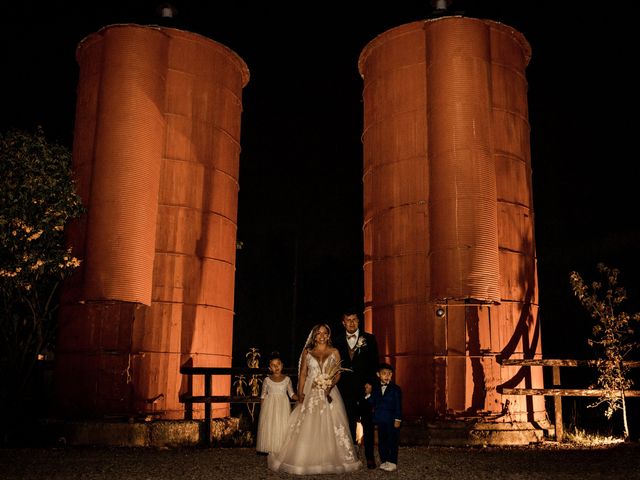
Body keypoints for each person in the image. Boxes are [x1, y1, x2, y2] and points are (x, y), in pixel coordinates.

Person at [267, 324, 362, 475]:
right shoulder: (308, 352)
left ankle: (331, 458)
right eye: (319, 333)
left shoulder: (334, 352)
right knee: (306, 423)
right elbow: (303, 373)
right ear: (314, 336)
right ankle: (304, 458)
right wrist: (299, 391)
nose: (322, 336)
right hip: (310, 390)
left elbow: (338, 373)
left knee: (332, 424)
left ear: (329, 335)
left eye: (325, 333)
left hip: (329, 391)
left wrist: (330, 385)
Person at [334, 310, 379, 469]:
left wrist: (371, 383)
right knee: (348, 422)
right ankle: (351, 456)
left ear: (359, 321)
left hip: (364, 388)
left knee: (367, 422)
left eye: (354, 320)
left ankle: (369, 457)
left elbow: (375, 364)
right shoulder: (337, 341)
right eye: (348, 320)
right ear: (343, 322)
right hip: (345, 389)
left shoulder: (370, 339)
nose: (351, 323)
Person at [255, 352, 297, 455]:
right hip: (270, 407)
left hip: (283, 406)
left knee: (282, 425)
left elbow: (291, 394)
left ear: (282, 365)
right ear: (270, 368)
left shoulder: (287, 379)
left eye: (278, 364)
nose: (276, 366)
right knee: (271, 425)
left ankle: (281, 448)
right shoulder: (267, 380)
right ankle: (270, 447)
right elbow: (263, 396)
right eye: (273, 365)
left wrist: (300, 398)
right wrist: (262, 410)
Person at [365, 363, 402, 472]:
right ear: (378, 374)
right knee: (382, 441)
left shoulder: (396, 389)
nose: (387, 376)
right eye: (384, 373)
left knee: (392, 441)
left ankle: (393, 461)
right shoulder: (376, 389)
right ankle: (385, 460)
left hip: (392, 420)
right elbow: (372, 402)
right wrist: (368, 394)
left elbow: (398, 405)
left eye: (389, 374)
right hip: (381, 419)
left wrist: (398, 419)